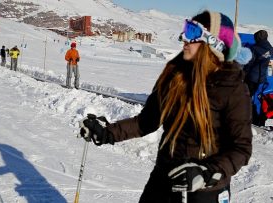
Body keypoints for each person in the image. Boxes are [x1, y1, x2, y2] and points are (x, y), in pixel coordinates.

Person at [79, 10, 252, 203]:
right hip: (164, 179)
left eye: (193, 32)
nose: (183, 38)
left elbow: (241, 148)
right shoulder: (174, 76)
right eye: (186, 29)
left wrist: (208, 172)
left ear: (214, 44)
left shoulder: (232, 88)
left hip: (204, 191)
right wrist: (107, 132)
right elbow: (147, 121)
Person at [244, 30, 273, 97]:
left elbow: (249, 62)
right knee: (256, 94)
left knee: (248, 95)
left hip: (252, 78)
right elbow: (266, 56)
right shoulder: (270, 48)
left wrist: (244, 72)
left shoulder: (254, 48)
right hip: (262, 77)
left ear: (257, 38)